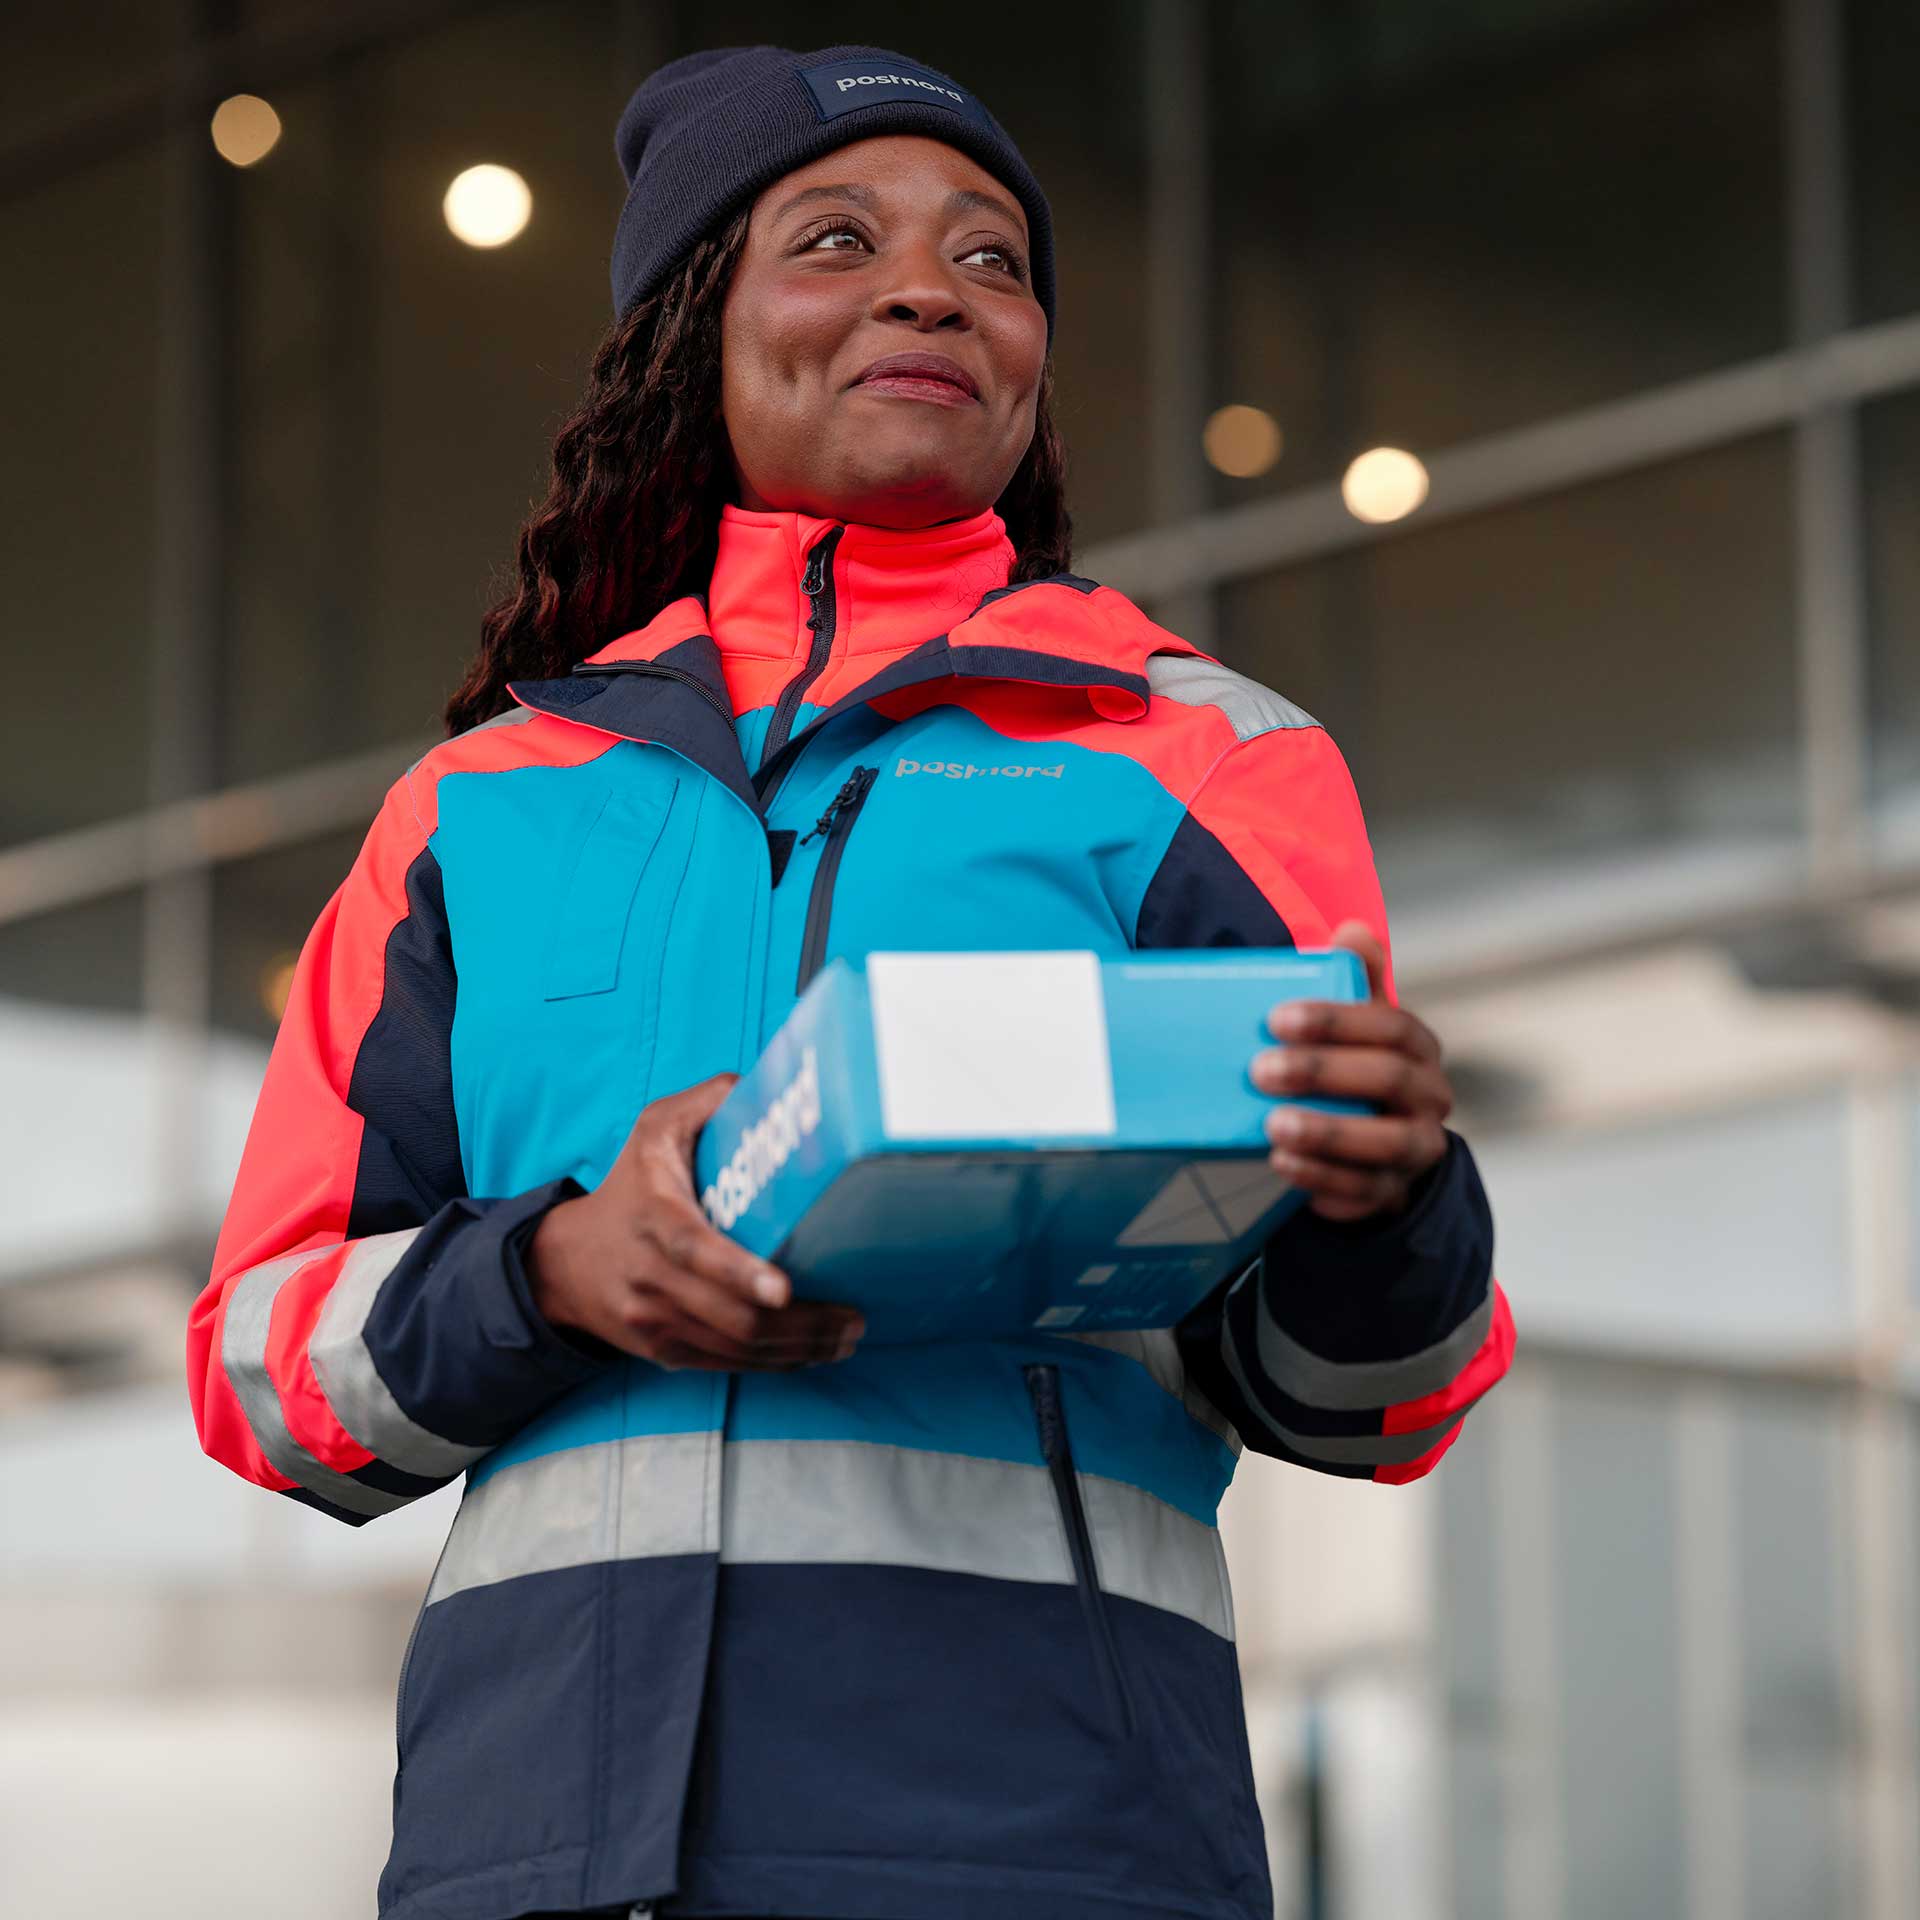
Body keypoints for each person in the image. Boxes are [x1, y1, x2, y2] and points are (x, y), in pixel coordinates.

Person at [187, 43, 1514, 1920]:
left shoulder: (1200, 757)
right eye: (839, 239)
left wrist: (1387, 1205)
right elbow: (259, 1371)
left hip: (1049, 1853)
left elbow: (1376, 1401)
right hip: (537, 1860)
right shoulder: (473, 813)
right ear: (688, 333)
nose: (930, 289)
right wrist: (558, 1271)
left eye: (992, 257)